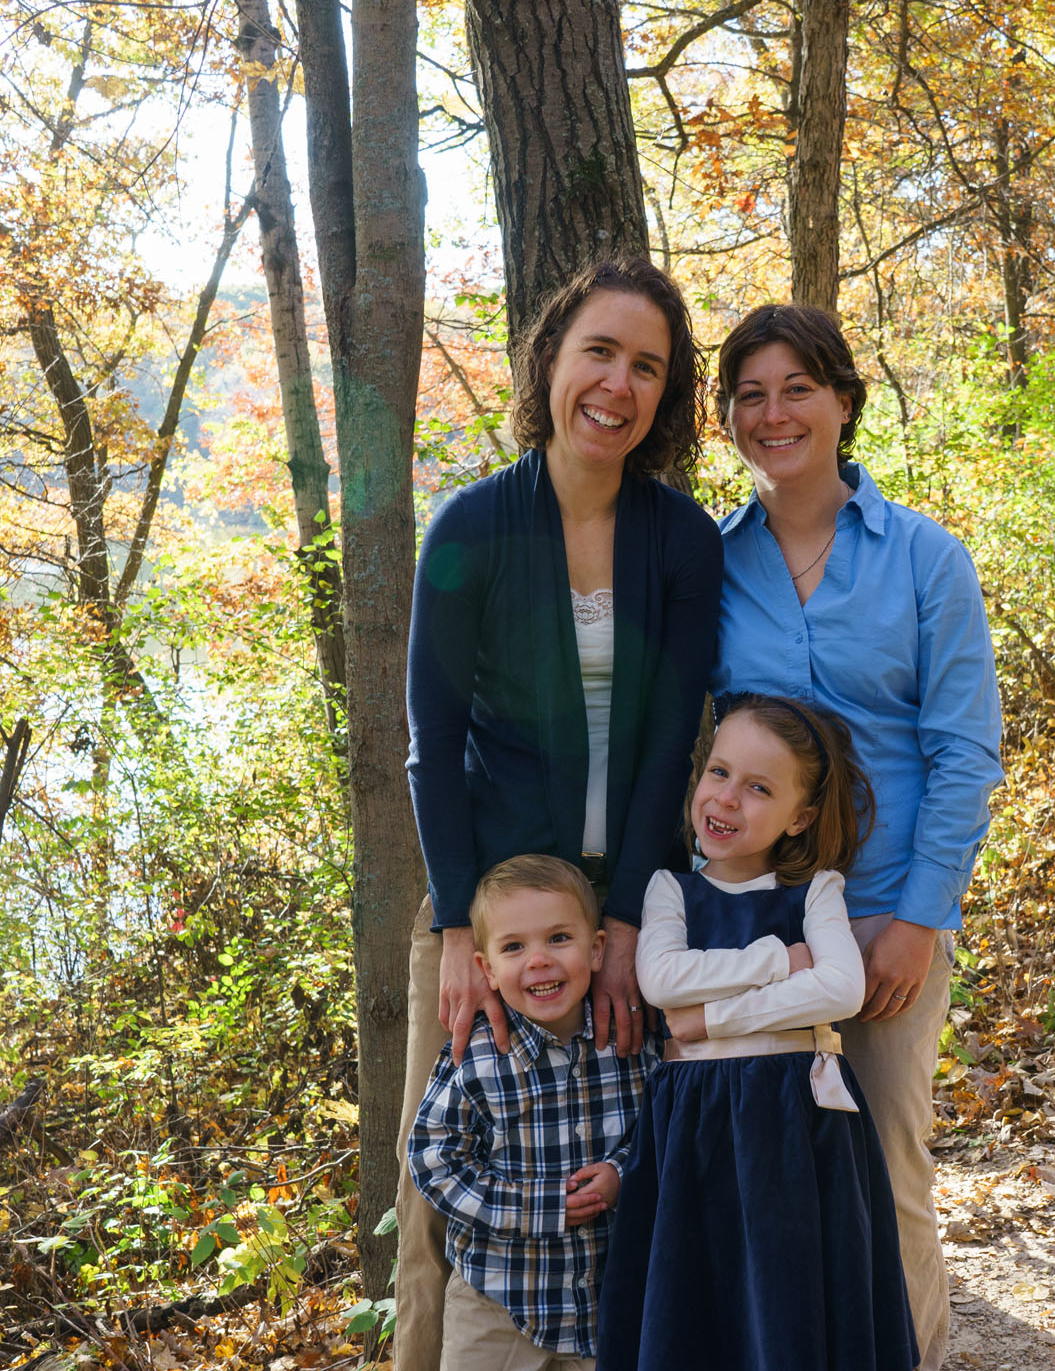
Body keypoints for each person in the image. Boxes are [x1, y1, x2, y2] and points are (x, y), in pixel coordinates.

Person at [398, 258, 723, 1371]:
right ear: (551, 361)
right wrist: (453, 930)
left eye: (647, 367)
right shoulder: (474, 528)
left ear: (664, 396)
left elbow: (677, 740)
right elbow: (434, 745)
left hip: (626, 914)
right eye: (600, 351)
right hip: (488, 915)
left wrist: (630, 916)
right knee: (443, 1209)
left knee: (618, 1184)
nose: (618, 385)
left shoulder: (680, 541)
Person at [709, 305, 1004, 1371]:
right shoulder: (714, 561)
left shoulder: (926, 559)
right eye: (750, 393)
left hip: (883, 914)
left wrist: (918, 920)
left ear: (844, 402)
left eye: (797, 388)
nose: (773, 412)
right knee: (765, 1178)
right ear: (727, 417)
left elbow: (966, 753)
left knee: (886, 1173)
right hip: (754, 925)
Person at [596, 694, 918, 1371]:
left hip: (796, 1120)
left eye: (759, 788)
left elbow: (841, 989)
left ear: (800, 817)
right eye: (718, 772)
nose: (727, 799)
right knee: (701, 1290)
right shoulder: (669, 890)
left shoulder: (816, 892)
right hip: (696, 1124)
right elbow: (662, 980)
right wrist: (782, 960)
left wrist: (710, 1020)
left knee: (786, 1286)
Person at [408, 855, 657, 1370]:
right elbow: (434, 1159)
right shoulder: (477, 1057)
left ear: (597, 950)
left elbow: (664, 1131)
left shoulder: (631, 1044)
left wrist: (622, 1173)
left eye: (559, 939)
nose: (538, 960)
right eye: (514, 947)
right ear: (486, 969)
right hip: (496, 1303)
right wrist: (539, 1207)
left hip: (602, 1308)